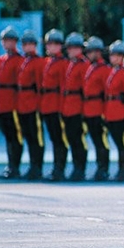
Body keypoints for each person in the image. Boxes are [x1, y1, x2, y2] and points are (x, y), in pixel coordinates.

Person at [16, 30, 46, 180]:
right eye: (25, 44)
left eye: (30, 44)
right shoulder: (23, 61)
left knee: (36, 137)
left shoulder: (38, 62)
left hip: (33, 103)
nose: (27, 47)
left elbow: (41, 85)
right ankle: (32, 164)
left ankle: (37, 166)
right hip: (23, 103)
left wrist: (40, 105)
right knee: (28, 136)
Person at [40, 29, 69, 181]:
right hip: (47, 104)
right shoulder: (46, 62)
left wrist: (62, 107)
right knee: (53, 138)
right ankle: (55, 166)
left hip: (56, 104)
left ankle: (60, 168)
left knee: (59, 138)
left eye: (55, 44)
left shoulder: (62, 63)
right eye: (50, 44)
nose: (52, 47)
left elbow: (63, 86)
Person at [61, 32, 90, 181]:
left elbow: (86, 88)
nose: (71, 50)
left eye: (75, 48)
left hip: (77, 106)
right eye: (70, 48)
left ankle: (80, 168)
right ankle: (76, 167)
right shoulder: (70, 64)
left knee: (78, 139)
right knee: (71, 138)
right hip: (68, 105)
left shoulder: (83, 64)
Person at [83, 36, 112, 181]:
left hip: (99, 109)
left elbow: (107, 93)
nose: (87, 54)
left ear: (98, 52)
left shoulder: (104, 69)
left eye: (90, 51)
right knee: (95, 140)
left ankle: (103, 169)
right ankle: (99, 167)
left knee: (101, 141)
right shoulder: (91, 67)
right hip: (89, 109)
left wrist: (105, 113)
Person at [105, 40, 124, 181]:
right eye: (112, 55)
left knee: (123, 143)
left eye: (117, 55)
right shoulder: (112, 72)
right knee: (117, 142)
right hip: (111, 112)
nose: (114, 58)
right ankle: (121, 168)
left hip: (121, 113)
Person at [0, 26, 24, 178]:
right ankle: (10, 165)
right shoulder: (2, 60)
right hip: (2, 104)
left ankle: (15, 166)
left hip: (13, 103)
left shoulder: (19, 60)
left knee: (15, 136)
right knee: (8, 136)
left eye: (10, 41)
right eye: (5, 41)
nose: (7, 44)